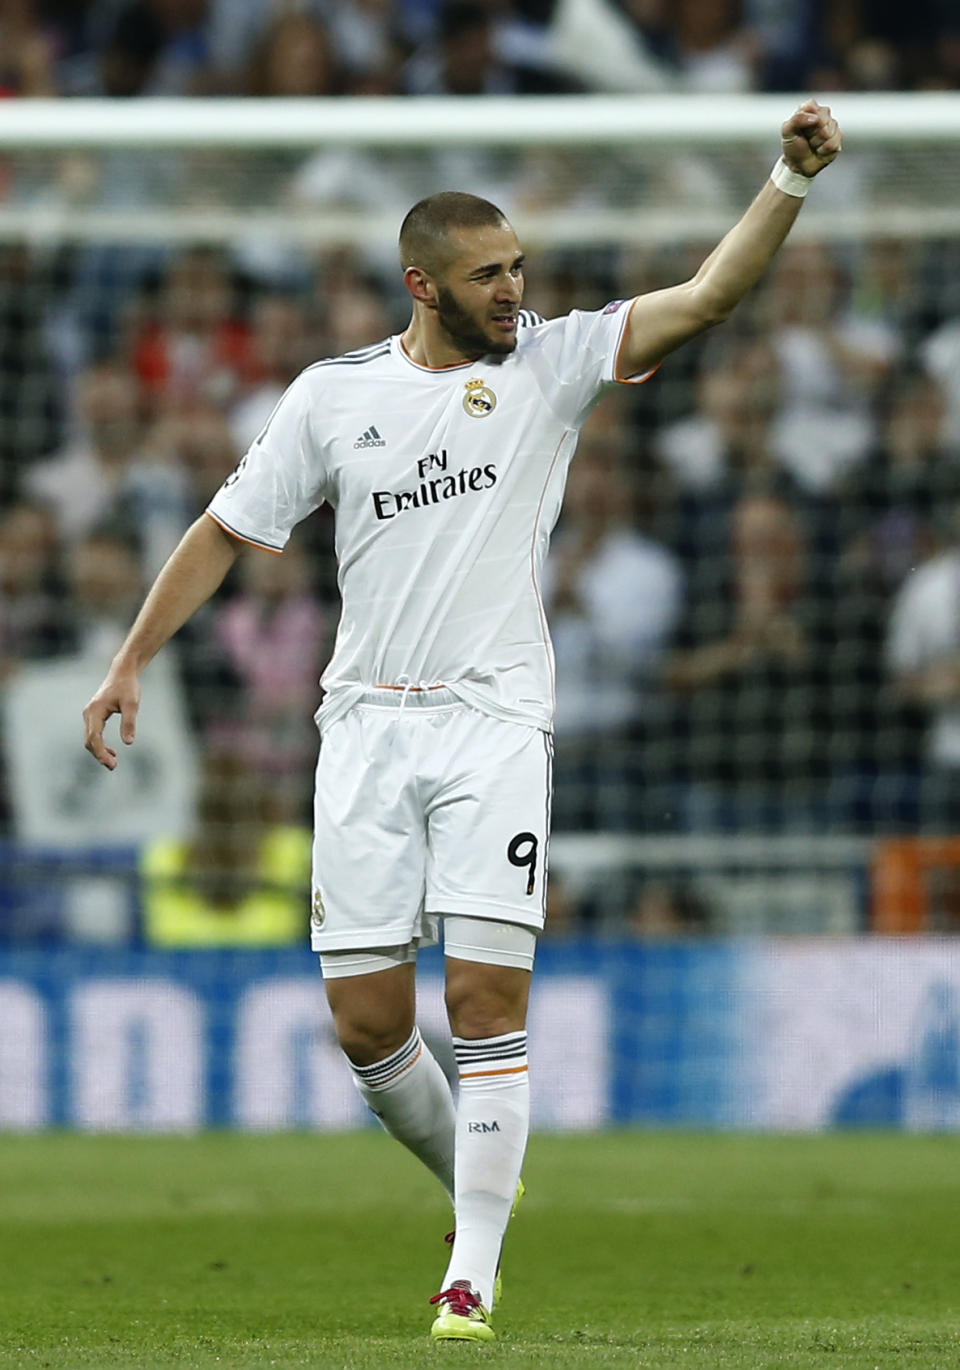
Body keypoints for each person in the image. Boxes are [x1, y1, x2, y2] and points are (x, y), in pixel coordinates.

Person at [83, 98, 842, 1343]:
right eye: (488, 273)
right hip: (365, 729)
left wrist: (789, 179)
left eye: (520, 267)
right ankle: (480, 1185)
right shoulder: (333, 398)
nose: (513, 288)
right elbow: (227, 529)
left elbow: (705, 297)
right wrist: (128, 661)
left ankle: (469, 1273)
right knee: (370, 1028)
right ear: (420, 282)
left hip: (495, 722)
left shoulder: (550, 363)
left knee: (489, 999)